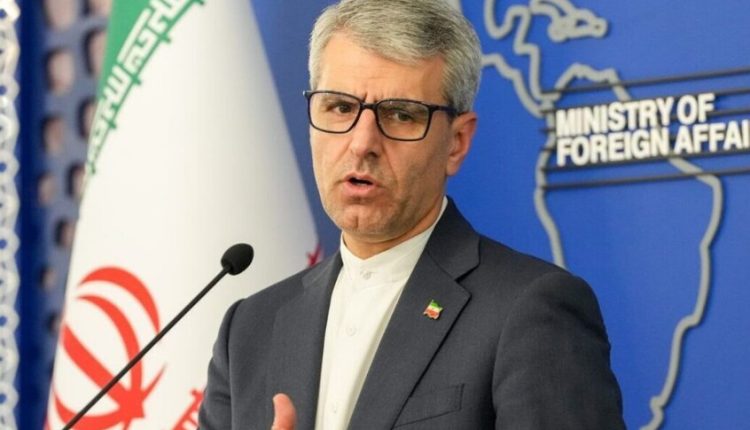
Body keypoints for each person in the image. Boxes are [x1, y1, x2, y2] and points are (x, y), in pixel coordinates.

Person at [199, 0, 624, 428]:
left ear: (456, 142)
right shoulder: (250, 328)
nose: (362, 143)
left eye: (401, 114)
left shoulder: (529, 309)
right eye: (340, 107)